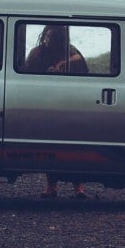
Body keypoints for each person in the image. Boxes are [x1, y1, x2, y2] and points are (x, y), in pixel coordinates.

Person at [25, 26, 89, 200]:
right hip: (48, 102)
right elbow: (27, 76)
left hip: (69, 103)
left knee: (74, 148)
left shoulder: (71, 52)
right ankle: (52, 187)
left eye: (52, 36)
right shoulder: (37, 53)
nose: (48, 39)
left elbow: (82, 69)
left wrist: (61, 67)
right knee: (51, 148)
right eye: (47, 35)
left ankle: (78, 187)